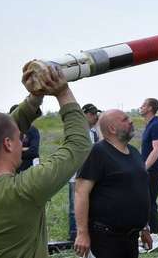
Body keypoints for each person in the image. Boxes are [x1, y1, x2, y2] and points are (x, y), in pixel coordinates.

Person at [0, 61, 92, 258]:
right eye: (20, 137)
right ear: (8, 144)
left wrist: (35, 97)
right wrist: (62, 92)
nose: (22, 142)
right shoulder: (24, 190)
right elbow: (78, 144)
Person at [73, 109, 152, 258]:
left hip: (131, 238)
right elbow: (80, 192)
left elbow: (139, 191)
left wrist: (144, 228)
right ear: (112, 128)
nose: (131, 121)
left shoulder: (134, 152)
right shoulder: (98, 152)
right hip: (106, 239)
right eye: (125, 119)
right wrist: (82, 233)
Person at [68, 103, 102, 241]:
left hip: (89, 176)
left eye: (96, 114)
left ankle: (87, 234)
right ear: (85, 115)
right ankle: (74, 236)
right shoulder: (77, 132)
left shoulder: (93, 132)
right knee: (74, 208)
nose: (96, 117)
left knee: (88, 205)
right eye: (93, 114)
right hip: (76, 176)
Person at [139, 97, 158, 234]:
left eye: (144, 105)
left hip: (155, 169)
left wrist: (144, 168)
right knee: (146, 200)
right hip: (150, 168)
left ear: (150, 108)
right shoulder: (150, 124)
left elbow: (157, 150)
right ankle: (156, 227)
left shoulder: (157, 125)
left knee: (149, 201)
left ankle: (155, 231)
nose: (141, 107)